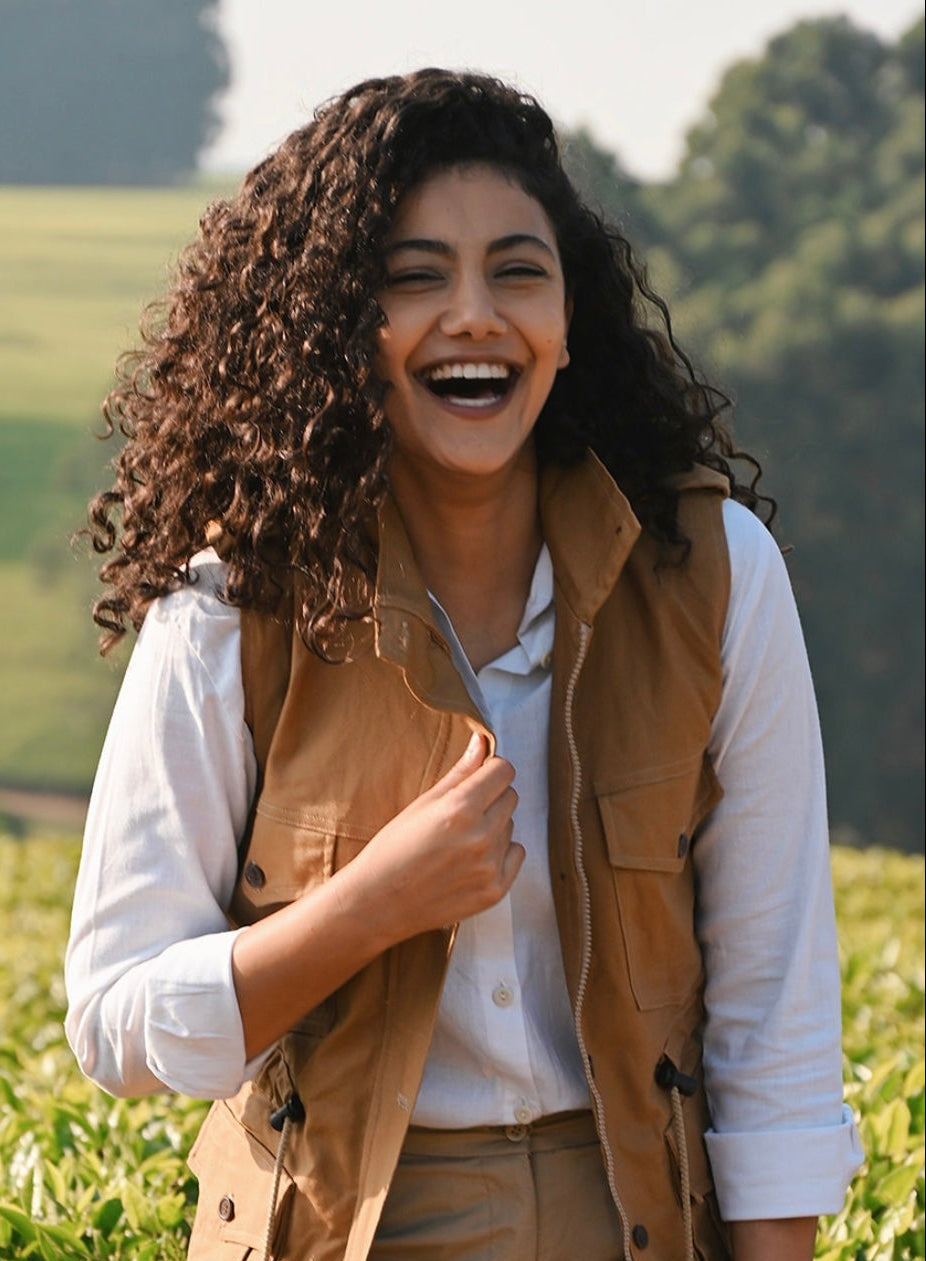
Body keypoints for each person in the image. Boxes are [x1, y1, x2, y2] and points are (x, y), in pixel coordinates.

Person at [65, 69, 862, 1261]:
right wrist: (367, 906)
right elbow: (116, 1021)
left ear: (568, 318)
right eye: (414, 277)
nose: (474, 314)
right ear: (343, 329)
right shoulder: (233, 602)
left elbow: (772, 1014)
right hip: (340, 1227)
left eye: (516, 271)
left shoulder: (714, 575)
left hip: (630, 1211)